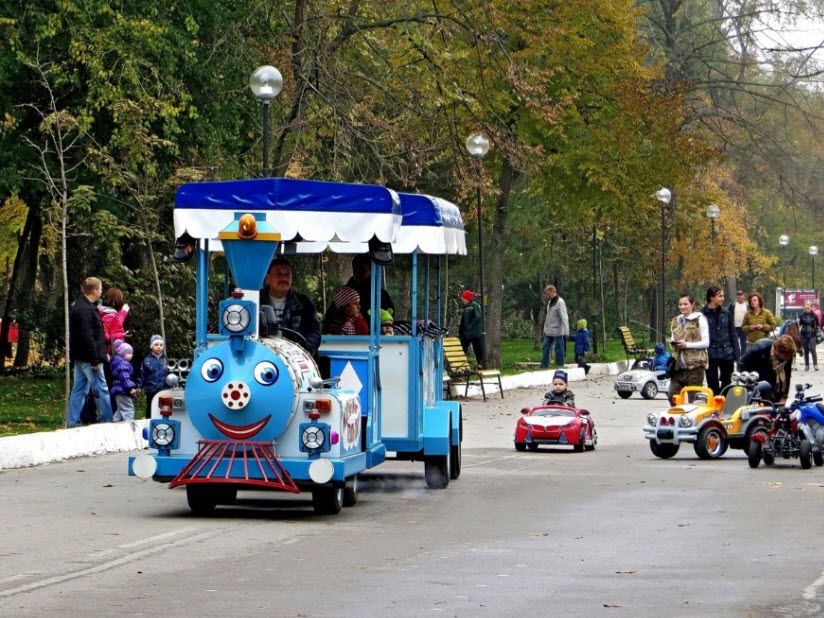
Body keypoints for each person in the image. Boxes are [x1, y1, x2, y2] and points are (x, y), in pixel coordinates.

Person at [66, 277, 114, 427]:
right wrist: (95, 359)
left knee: (79, 390)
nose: (101, 291)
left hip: (81, 357)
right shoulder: (84, 309)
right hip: (89, 358)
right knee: (101, 388)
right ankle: (107, 420)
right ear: (94, 291)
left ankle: (73, 421)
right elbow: (87, 336)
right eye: (100, 289)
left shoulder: (81, 306)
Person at [260, 258, 322, 356]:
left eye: (287, 274)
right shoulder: (257, 301)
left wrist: (303, 350)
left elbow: (314, 332)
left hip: (296, 357)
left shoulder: (304, 302)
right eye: (279, 274)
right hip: (263, 354)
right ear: (268, 279)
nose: (284, 279)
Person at [667, 293, 709, 404]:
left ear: (692, 305)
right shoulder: (675, 321)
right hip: (679, 367)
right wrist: (674, 344)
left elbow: (706, 342)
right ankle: (679, 418)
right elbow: (673, 339)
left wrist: (687, 345)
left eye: (685, 304)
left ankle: (690, 420)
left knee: (693, 401)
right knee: (672, 395)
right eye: (680, 304)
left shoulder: (700, 319)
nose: (682, 307)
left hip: (695, 366)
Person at [739, 335, 796, 404]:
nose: (788, 359)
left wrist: (783, 397)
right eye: (786, 356)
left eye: (789, 357)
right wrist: (748, 386)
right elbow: (742, 365)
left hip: (775, 390)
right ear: (777, 350)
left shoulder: (788, 355)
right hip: (755, 385)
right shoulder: (759, 349)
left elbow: (787, 375)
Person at [702, 286, 738, 395]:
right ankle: (715, 406)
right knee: (712, 384)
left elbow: (733, 333)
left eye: (723, 296)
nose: (722, 298)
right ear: (712, 297)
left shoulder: (726, 313)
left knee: (727, 383)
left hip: (727, 353)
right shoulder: (702, 314)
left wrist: (737, 354)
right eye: (720, 296)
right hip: (710, 354)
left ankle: (724, 405)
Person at [343, 253, 394, 320]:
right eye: (355, 270)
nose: (358, 273)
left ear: (372, 271)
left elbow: (388, 320)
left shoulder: (381, 295)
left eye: (363, 270)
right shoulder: (345, 294)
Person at [138, 335, 168, 419]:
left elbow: (170, 373)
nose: (159, 347)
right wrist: (139, 386)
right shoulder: (147, 360)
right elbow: (142, 374)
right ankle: (149, 421)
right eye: (156, 345)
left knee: (164, 407)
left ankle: (164, 421)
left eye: (161, 345)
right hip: (151, 388)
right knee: (151, 406)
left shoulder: (165, 359)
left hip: (164, 388)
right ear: (151, 346)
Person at [540, 284, 569, 369]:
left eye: (548, 294)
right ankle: (544, 366)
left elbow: (564, 317)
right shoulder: (549, 302)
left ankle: (560, 365)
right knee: (545, 347)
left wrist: (566, 331)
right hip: (549, 330)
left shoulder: (560, 302)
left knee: (559, 349)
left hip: (558, 330)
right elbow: (548, 317)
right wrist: (545, 329)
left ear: (553, 292)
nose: (547, 296)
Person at [110, 340, 138, 421]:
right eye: (129, 353)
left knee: (120, 410)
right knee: (128, 409)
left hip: (119, 390)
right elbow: (124, 377)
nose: (131, 355)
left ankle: (115, 425)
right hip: (123, 390)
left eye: (131, 353)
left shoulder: (118, 362)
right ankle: (129, 427)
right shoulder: (123, 364)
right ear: (122, 354)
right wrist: (130, 388)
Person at [98, 287, 129, 356]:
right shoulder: (108, 316)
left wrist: (123, 312)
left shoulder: (110, 313)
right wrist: (121, 335)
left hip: (115, 351)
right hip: (111, 353)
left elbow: (117, 322)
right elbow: (105, 337)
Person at [458, 289, 484, 366]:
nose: (462, 300)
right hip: (467, 334)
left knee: (477, 349)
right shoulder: (466, 307)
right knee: (462, 348)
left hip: (475, 333)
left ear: (467, 299)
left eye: (463, 298)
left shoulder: (474, 305)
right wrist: (461, 332)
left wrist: (471, 326)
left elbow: (478, 317)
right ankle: (461, 364)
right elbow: (463, 322)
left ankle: (480, 364)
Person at [798, 301, 819, 371]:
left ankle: (815, 365)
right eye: (806, 308)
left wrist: (818, 332)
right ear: (804, 307)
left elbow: (818, 325)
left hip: (813, 334)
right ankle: (807, 365)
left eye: (808, 308)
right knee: (806, 350)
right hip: (804, 334)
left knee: (813, 349)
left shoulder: (814, 315)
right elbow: (799, 325)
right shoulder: (801, 315)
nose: (807, 309)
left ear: (811, 308)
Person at [728, 290, 748, 358]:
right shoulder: (732, 305)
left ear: (744, 296)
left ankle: (743, 358)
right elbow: (729, 316)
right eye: (738, 295)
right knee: (735, 344)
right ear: (736, 297)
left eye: (741, 295)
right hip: (735, 327)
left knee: (743, 344)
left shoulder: (747, 305)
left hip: (744, 328)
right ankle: (737, 358)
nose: (739, 296)